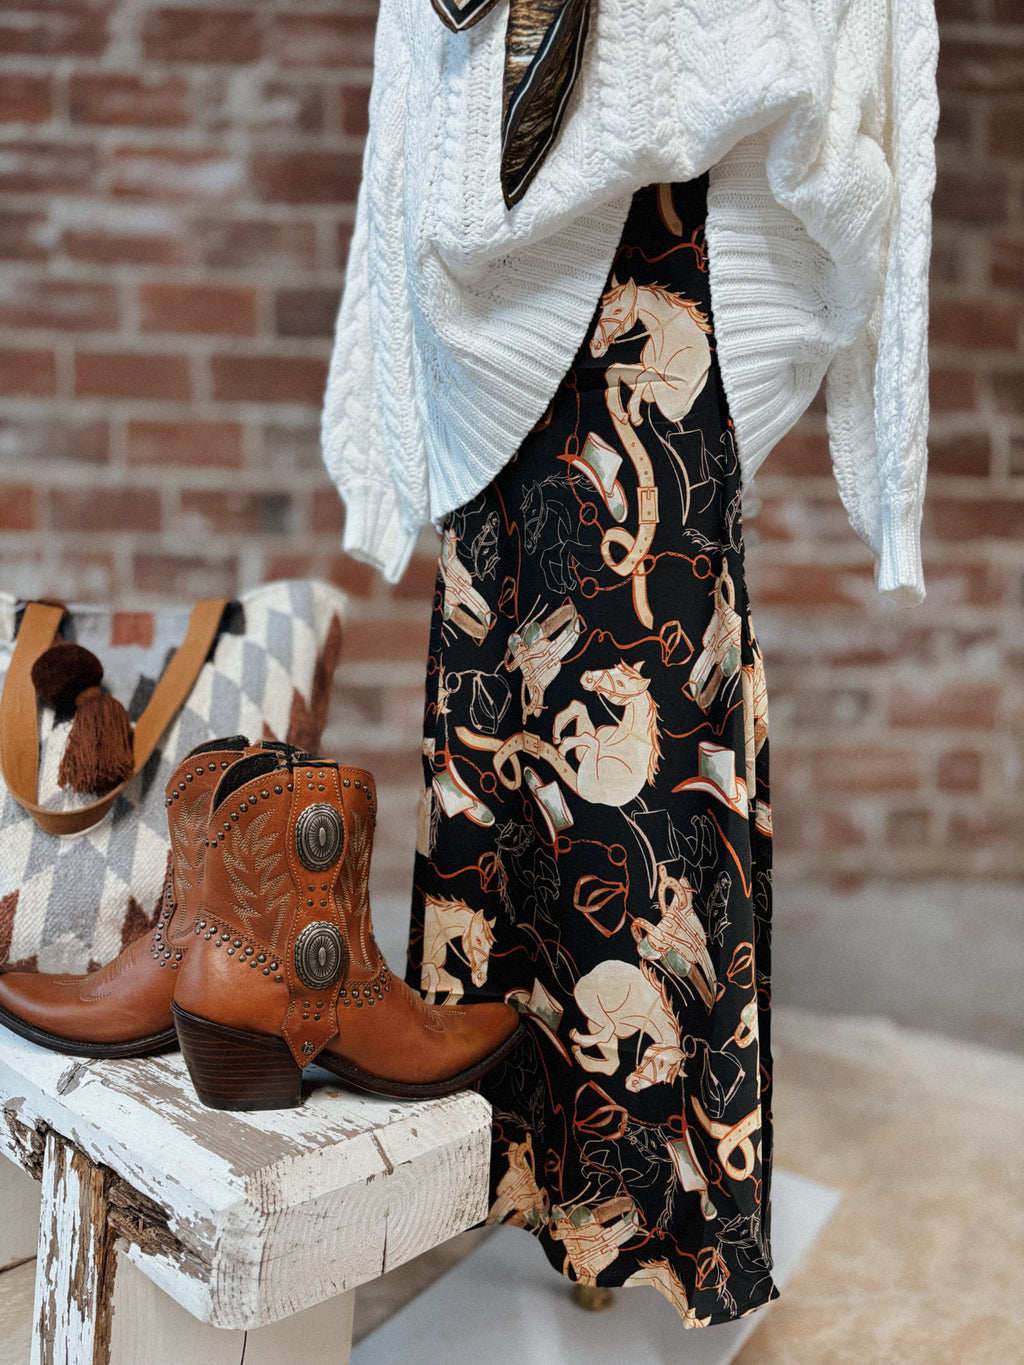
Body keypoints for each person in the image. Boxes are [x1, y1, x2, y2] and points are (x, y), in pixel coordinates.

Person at [321, 0, 939, 1327]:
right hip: (496, 269)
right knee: (504, 738)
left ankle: (643, 1229)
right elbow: (409, 86)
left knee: (649, 770)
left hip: (670, 238)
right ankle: (516, 1186)